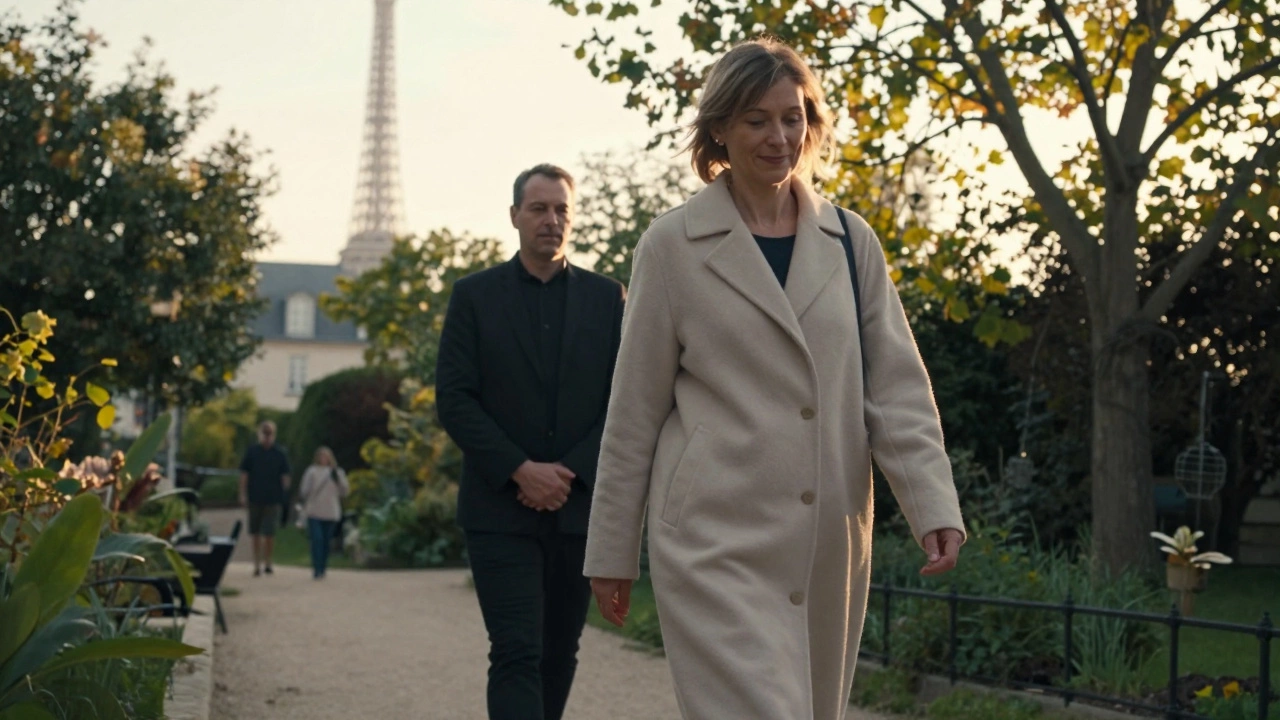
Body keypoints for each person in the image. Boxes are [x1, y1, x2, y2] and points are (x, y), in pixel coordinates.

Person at [583, 38, 966, 720]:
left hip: (827, 537)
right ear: (721, 129)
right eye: (757, 119)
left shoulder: (852, 243)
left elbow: (896, 388)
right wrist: (611, 550)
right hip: (711, 541)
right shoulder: (672, 246)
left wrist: (932, 504)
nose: (778, 136)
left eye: (792, 117)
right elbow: (633, 411)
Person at [436, 164, 626, 720]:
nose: (551, 220)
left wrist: (568, 471)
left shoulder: (607, 297)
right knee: (517, 649)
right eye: (539, 209)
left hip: (577, 508)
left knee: (559, 652)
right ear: (515, 216)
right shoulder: (472, 296)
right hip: (498, 511)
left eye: (561, 209)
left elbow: (626, 401)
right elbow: (455, 398)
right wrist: (521, 470)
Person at [238, 420, 291, 577]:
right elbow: (244, 474)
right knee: (255, 532)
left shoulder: (280, 453)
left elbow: (286, 475)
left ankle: (268, 560)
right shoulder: (252, 452)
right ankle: (256, 563)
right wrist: (242, 493)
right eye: (265, 433)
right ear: (260, 433)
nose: (267, 437)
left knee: (269, 532)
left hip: (273, 498)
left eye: (270, 434)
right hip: (255, 496)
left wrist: (284, 493)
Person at [297, 445, 350, 579]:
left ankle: (323, 566)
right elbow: (304, 490)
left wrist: (337, 479)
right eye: (321, 456)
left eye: (326, 456)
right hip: (314, 511)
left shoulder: (337, 472)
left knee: (326, 541)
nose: (323, 459)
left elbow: (344, 491)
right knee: (317, 539)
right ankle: (316, 567)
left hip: (330, 512)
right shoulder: (312, 471)